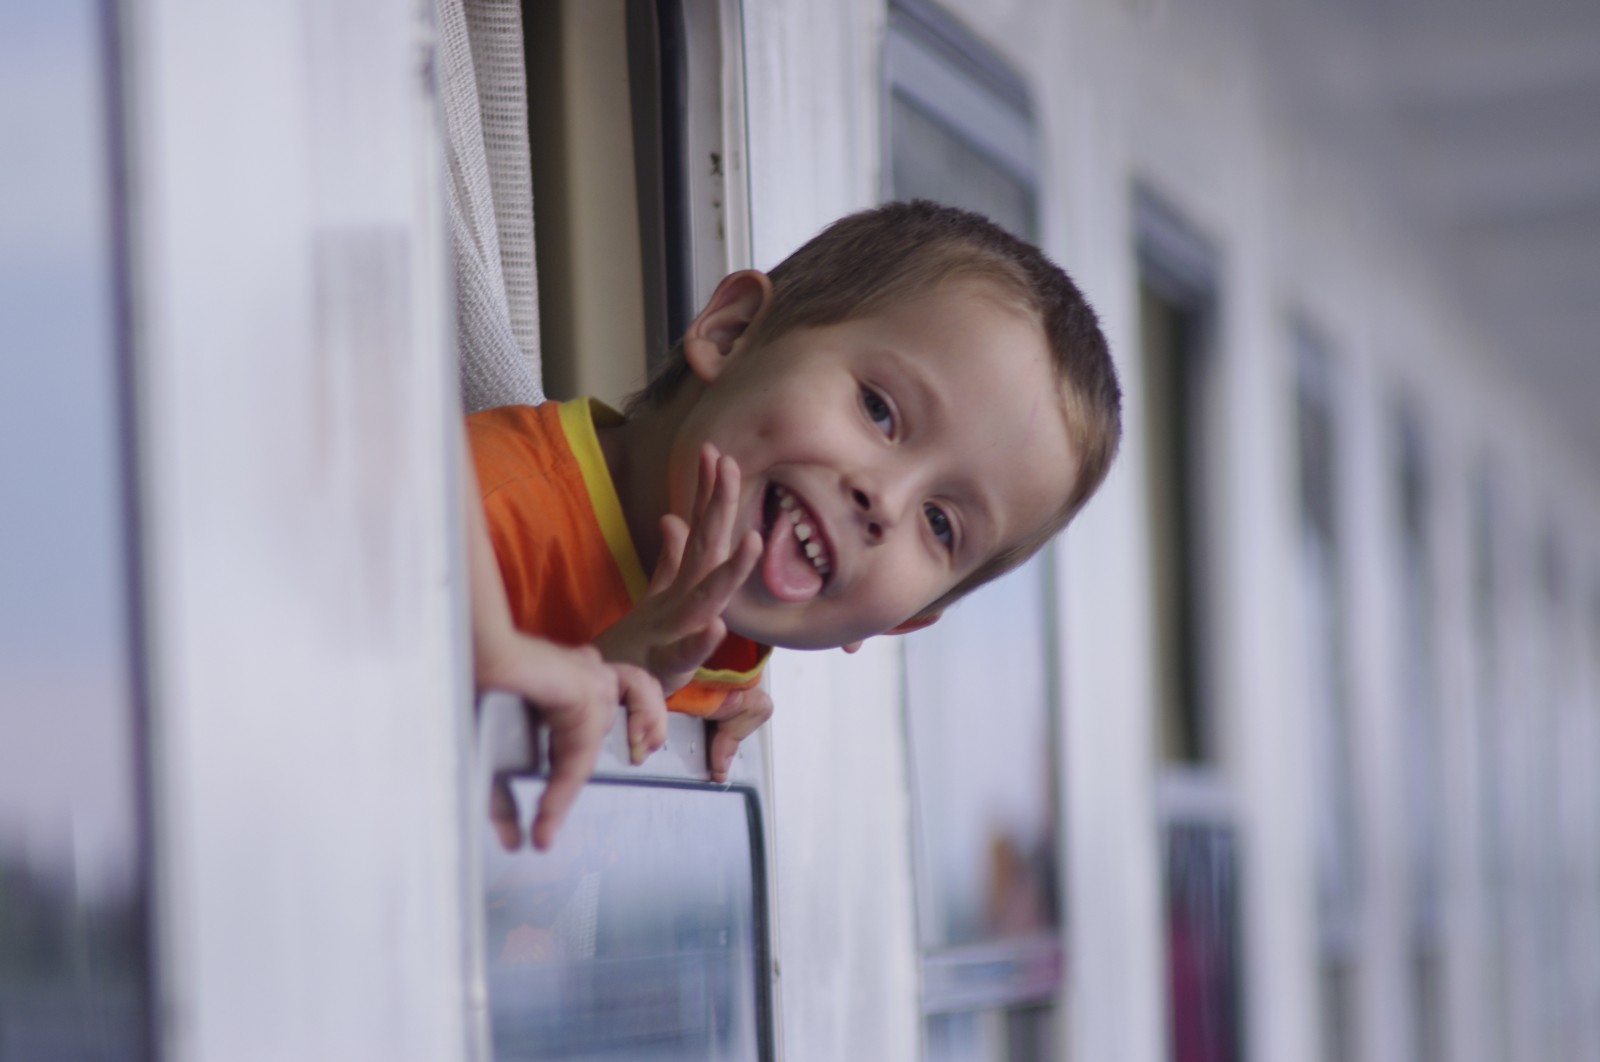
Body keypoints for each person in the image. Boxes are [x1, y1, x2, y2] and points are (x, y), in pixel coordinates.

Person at [469, 200, 1123, 847]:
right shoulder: (478, 506)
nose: (885, 502)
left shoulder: (724, 665)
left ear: (903, 619)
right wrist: (612, 682)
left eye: (940, 523)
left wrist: (697, 708)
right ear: (732, 331)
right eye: (878, 409)